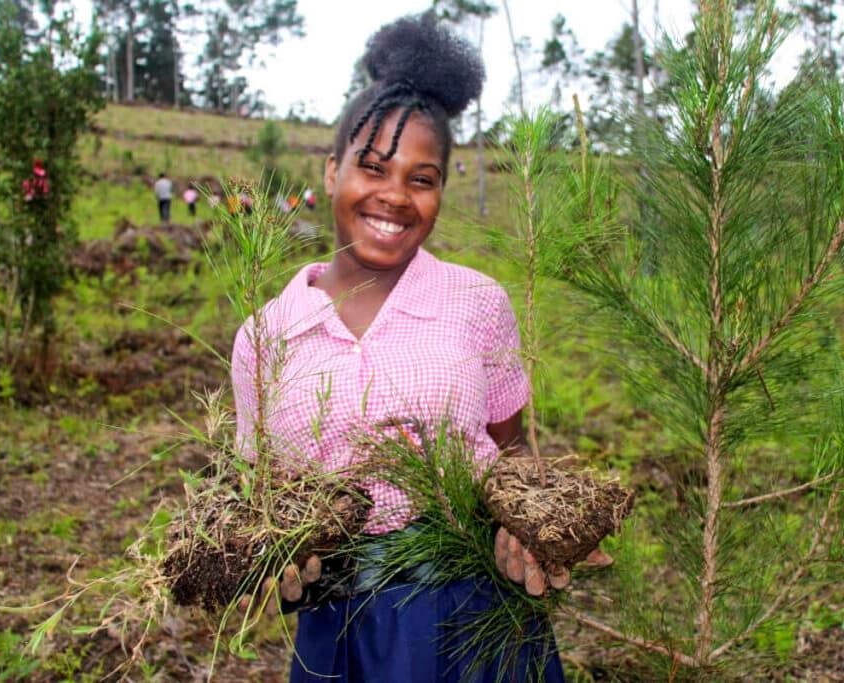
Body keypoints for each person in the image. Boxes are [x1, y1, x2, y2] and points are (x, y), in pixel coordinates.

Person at [230, 13, 609, 683]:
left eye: (421, 178)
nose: (393, 196)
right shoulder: (266, 336)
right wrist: (273, 564)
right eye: (372, 167)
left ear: (439, 192)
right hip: (337, 629)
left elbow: (513, 449)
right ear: (332, 167)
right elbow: (260, 499)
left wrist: (525, 525)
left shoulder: (477, 303)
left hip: (475, 617)